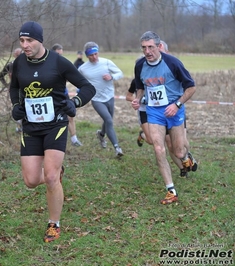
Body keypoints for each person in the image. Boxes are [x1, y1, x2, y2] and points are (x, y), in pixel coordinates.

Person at [10, 21, 95, 243]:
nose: (25, 45)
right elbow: (14, 88)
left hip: (55, 124)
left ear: (40, 40)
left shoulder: (58, 62)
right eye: (22, 40)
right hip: (30, 126)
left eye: (29, 40)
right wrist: (15, 106)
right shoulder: (19, 63)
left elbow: (88, 88)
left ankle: (53, 223)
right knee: (30, 180)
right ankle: (56, 174)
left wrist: (74, 102)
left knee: (49, 177)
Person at [131, 31, 198, 205]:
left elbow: (191, 88)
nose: (147, 51)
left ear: (159, 46)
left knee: (178, 151)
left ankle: (185, 158)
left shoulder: (173, 63)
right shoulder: (139, 65)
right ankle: (171, 190)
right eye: (144, 48)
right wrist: (137, 99)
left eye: (151, 47)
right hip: (154, 112)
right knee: (159, 149)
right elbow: (139, 87)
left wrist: (177, 105)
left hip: (174, 110)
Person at [78, 41, 124, 157]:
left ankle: (101, 134)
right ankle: (117, 148)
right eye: (91, 55)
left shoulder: (106, 62)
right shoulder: (83, 69)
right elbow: (78, 81)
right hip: (96, 99)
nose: (94, 57)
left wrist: (112, 76)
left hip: (109, 96)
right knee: (108, 120)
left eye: (96, 54)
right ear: (87, 56)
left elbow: (120, 73)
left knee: (107, 120)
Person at [51, 43, 82, 147]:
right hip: (52, 96)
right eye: (58, 54)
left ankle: (74, 139)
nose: (60, 56)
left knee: (70, 115)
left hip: (64, 94)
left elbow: (71, 76)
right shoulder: (48, 65)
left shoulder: (63, 64)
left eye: (61, 54)